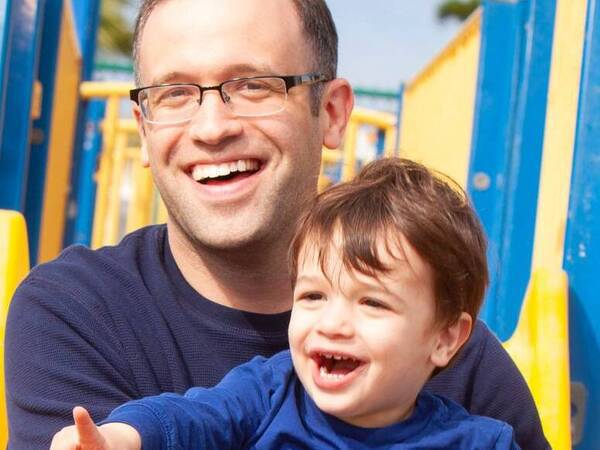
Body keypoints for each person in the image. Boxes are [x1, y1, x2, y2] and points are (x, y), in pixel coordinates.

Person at [5, 0, 548, 448]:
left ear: (331, 113)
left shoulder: (456, 358)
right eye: (174, 94)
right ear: (143, 129)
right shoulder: (77, 314)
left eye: (254, 85)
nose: (212, 127)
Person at [50, 158, 519, 449]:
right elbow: (192, 417)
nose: (333, 323)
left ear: (444, 338)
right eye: (313, 295)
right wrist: (119, 438)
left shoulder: (479, 441)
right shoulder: (271, 393)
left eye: (372, 303)